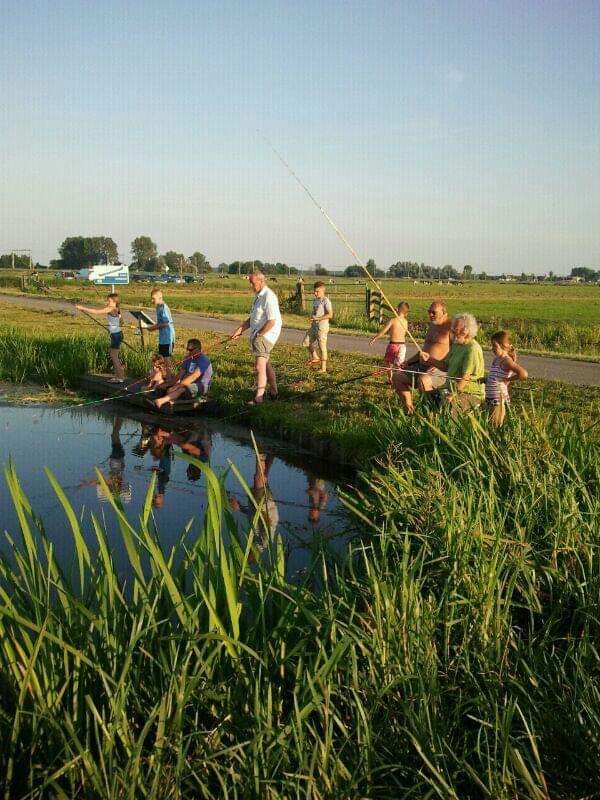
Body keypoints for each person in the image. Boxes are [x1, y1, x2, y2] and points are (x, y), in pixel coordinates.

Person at [231, 271, 282, 405]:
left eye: (253, 283)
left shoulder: (268, 296)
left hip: (266, 335)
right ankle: (274, 393)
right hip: (259, 334)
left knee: (260, 367)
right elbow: (253, 318)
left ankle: (259, 398)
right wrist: (240, 330)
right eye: (250, 283)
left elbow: (272, 320)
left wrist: (260, 334)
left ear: (260, 281)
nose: (251, 286)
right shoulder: (258, 296)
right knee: (266, 365)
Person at [420, 313, 485, 414]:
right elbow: (445, 366)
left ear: (466, 331)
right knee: (427, 398)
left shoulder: (472, 349)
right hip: (450, 388)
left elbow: (465, 378)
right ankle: (429, 425)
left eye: (456, 328)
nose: (453, 330)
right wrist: (429, 359)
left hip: (469, 393)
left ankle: (446, 427)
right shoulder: (457, 344)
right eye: (453, 327)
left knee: (449, 406)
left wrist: (452, 395)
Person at [393, 301, 451, 413]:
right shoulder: (432, 326)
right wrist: (408, 362)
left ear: (444, 313)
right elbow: (423, 351)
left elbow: (455, 353)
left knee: (423, 380)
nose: (430, 315)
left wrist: (439, 365)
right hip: (421, 366)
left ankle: (429, 413)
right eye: (429, 312)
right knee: (397, 377)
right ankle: (409, 409)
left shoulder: (451, 329)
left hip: (440, 369)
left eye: (434, 312)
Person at [75, 293, 125, 383]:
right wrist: (113, 326)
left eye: (109, 301)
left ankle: (120, 378)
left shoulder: (111, 308)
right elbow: (122, 322)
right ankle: (117, 376)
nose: (107, 302)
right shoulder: (117, 309)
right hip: (118, 333)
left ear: (114, 301)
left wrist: (82, 308)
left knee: (114, 357)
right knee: (113, 355)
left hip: (116, 335)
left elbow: (96, 312)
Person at [153, 338, 213, 409]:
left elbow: (194, 376)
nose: (188, 352)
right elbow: (179, 375)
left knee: (181, 388)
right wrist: (167, 385)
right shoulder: (187, 358)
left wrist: (177, 386)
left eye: (190, 350)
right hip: (186, 383)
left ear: (198, 349)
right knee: (166, 387)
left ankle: (160, 401)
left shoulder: (204, 360)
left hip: (200, 386)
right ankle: (166, 397)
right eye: (187, 349)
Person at [485, 331, 529, 426]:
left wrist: (507, 380)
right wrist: (486, 379)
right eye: (492, 346)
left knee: (495, 426)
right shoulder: (496, 360)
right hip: (490, 397)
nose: (492, 349)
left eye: (494, 346)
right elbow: (495, 376)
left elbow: (523, 374)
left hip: (498, 399)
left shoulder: (506, 361)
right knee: (489, 425)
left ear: (503, 346)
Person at [369, 301, 410, 384]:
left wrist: (375, 338)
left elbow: (383, 331)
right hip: (402, 346)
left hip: (393, 345)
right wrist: (397, 311)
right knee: (399, 365)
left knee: (388, 363)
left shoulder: (393, 320)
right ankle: (400, 380)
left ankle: (390, 379)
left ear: (398, 309)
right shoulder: (405, 322)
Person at [303, 281, 333, 373]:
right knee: (306, 342)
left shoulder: (326, 301)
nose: (315, 293)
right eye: (314, 291)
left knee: (322, 347)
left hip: (322, 328)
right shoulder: (315, 300)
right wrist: (312, 316)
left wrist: (318, 318)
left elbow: (330, 315)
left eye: (317, 291)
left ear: (323, 291)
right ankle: (315, 357)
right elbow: (314, 311)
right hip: (314, 326)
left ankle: (323, 369)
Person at [147, 288, 175, 376]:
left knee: (167, 359)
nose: (152, 300)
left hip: (168, 337)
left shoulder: (163, 307)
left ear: (160, 297)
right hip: (163, 337)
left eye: (153, 298)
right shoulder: (158, 307)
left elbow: (165, 323)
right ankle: (164, 377)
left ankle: (169, 379)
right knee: (162, 358)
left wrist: (153, 328)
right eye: (151, 298)